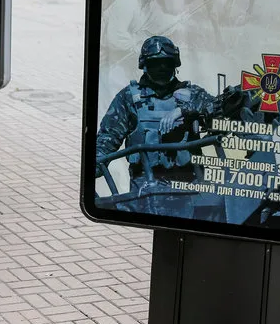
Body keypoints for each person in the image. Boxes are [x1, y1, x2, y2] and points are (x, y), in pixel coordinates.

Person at [95, 35, 222, 219]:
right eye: (156, 63)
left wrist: (184, 110)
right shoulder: (128, 98)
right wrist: (95, 168)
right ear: (145, 66)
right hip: (147, 188)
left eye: (167, 63)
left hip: (190, 187)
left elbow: (219, 108)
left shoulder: (193, 94)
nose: (162, 68)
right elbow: (107, 138)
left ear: (175, 65)